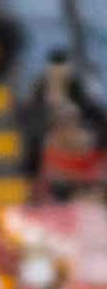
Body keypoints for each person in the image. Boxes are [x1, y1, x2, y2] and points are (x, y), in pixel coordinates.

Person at [20, 48, 107, 201]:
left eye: (62, 70)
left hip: (78, 144)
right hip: (51, 143)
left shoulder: (78, 91)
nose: (58, 74)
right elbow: (30, 116)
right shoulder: (39, 90)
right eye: (55, 71)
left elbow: (95, 116)